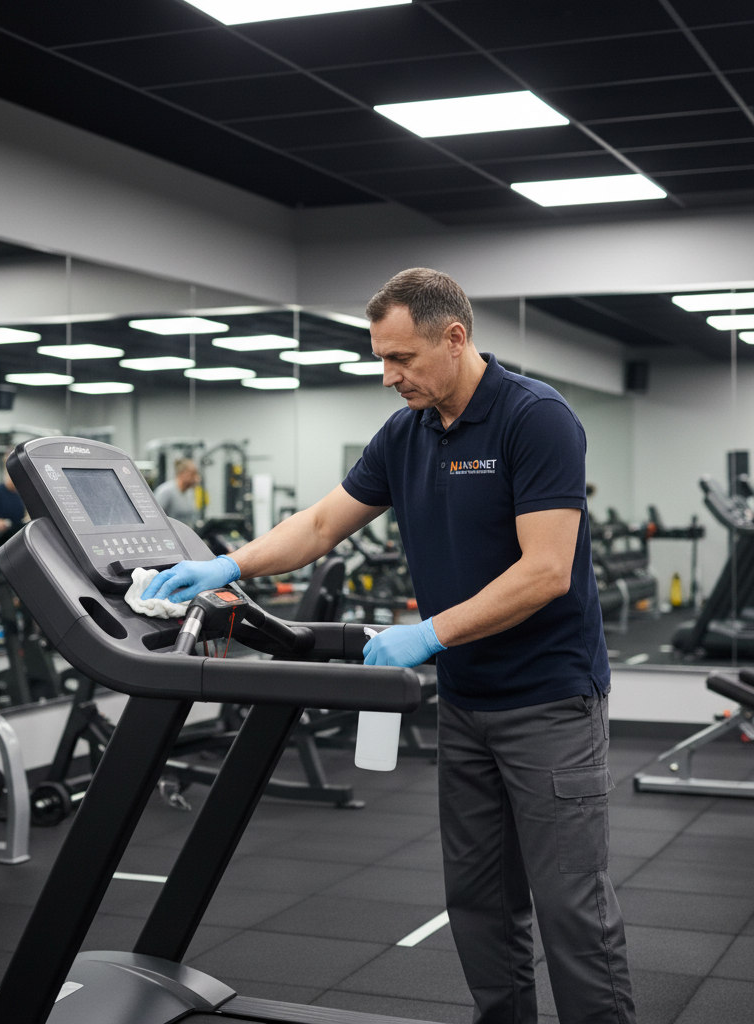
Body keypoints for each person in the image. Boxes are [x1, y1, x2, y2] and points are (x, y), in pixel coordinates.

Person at [143, 268, 634, 1024]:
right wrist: (229, 565)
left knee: (572, 908)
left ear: (454, 338)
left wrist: (429, 633)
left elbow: (546, 571)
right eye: (381, 358)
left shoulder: (535, 418)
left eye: (401, 358)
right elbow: (319, 525)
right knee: (479, 903)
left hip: (550, 704)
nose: (387, 376)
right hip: (466, 704)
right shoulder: (406, 432)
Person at [153, 457, 202, 529]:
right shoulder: (166, 491)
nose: (197, 479)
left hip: (185, 534)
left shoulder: (190, 493)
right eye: (193, 474)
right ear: (183, 473)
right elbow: (154, 519)